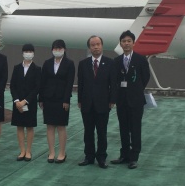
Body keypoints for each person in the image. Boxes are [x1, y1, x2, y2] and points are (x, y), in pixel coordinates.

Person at [112, 30, 151, 169]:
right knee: (123, 128)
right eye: (124, 41)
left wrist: (135, 89)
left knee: (135, 128)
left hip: (136, 100)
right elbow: (115, 79)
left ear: (133, 43)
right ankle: (124, 155)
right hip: (121, 100)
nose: (126, 43)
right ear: (120, 44)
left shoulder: (141, 60)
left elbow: (145, 77)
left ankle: (134, 157)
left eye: (129, 41)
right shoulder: (117, 61)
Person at [77, 35, 117, 168]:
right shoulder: (83, 64)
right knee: (88, 132)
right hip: (87, 103)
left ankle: (101, 157)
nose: (96, 47)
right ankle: (89, 156)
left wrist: (112, 100)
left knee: (102, 132)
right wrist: (80, 100)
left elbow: (113, 83)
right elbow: (81, 84)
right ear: (89, 47)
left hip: (103, 103)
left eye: (98, 44)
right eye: (93, 45)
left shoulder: (110, 63)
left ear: (102, 46)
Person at [39, 39, 75, 164]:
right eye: (55, 48)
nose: (57, 50)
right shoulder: (47, 63)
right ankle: (51, 152)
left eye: (60, 48)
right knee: (49, 126)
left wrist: (66, 100)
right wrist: (41, 99)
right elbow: (43, 81)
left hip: (62, 99)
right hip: (48, 98)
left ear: (64, 49)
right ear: (52, 50)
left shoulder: (69, 64)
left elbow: (69, 83)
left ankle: (62, 153)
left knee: (61, 126)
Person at [10, 44, 41, 162]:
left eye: (30, 51)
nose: (28, 53)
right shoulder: (17, 68)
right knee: (19, 126)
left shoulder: (37, 69)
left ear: (33, 53)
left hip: (30, 103)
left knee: (29, 127)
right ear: (22, 53)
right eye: (26, 51)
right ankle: (22, 150)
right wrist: (17, 101)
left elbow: (37, 87)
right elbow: (12, 86)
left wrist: (25, 101)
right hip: (17, 103)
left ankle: (28, 151)